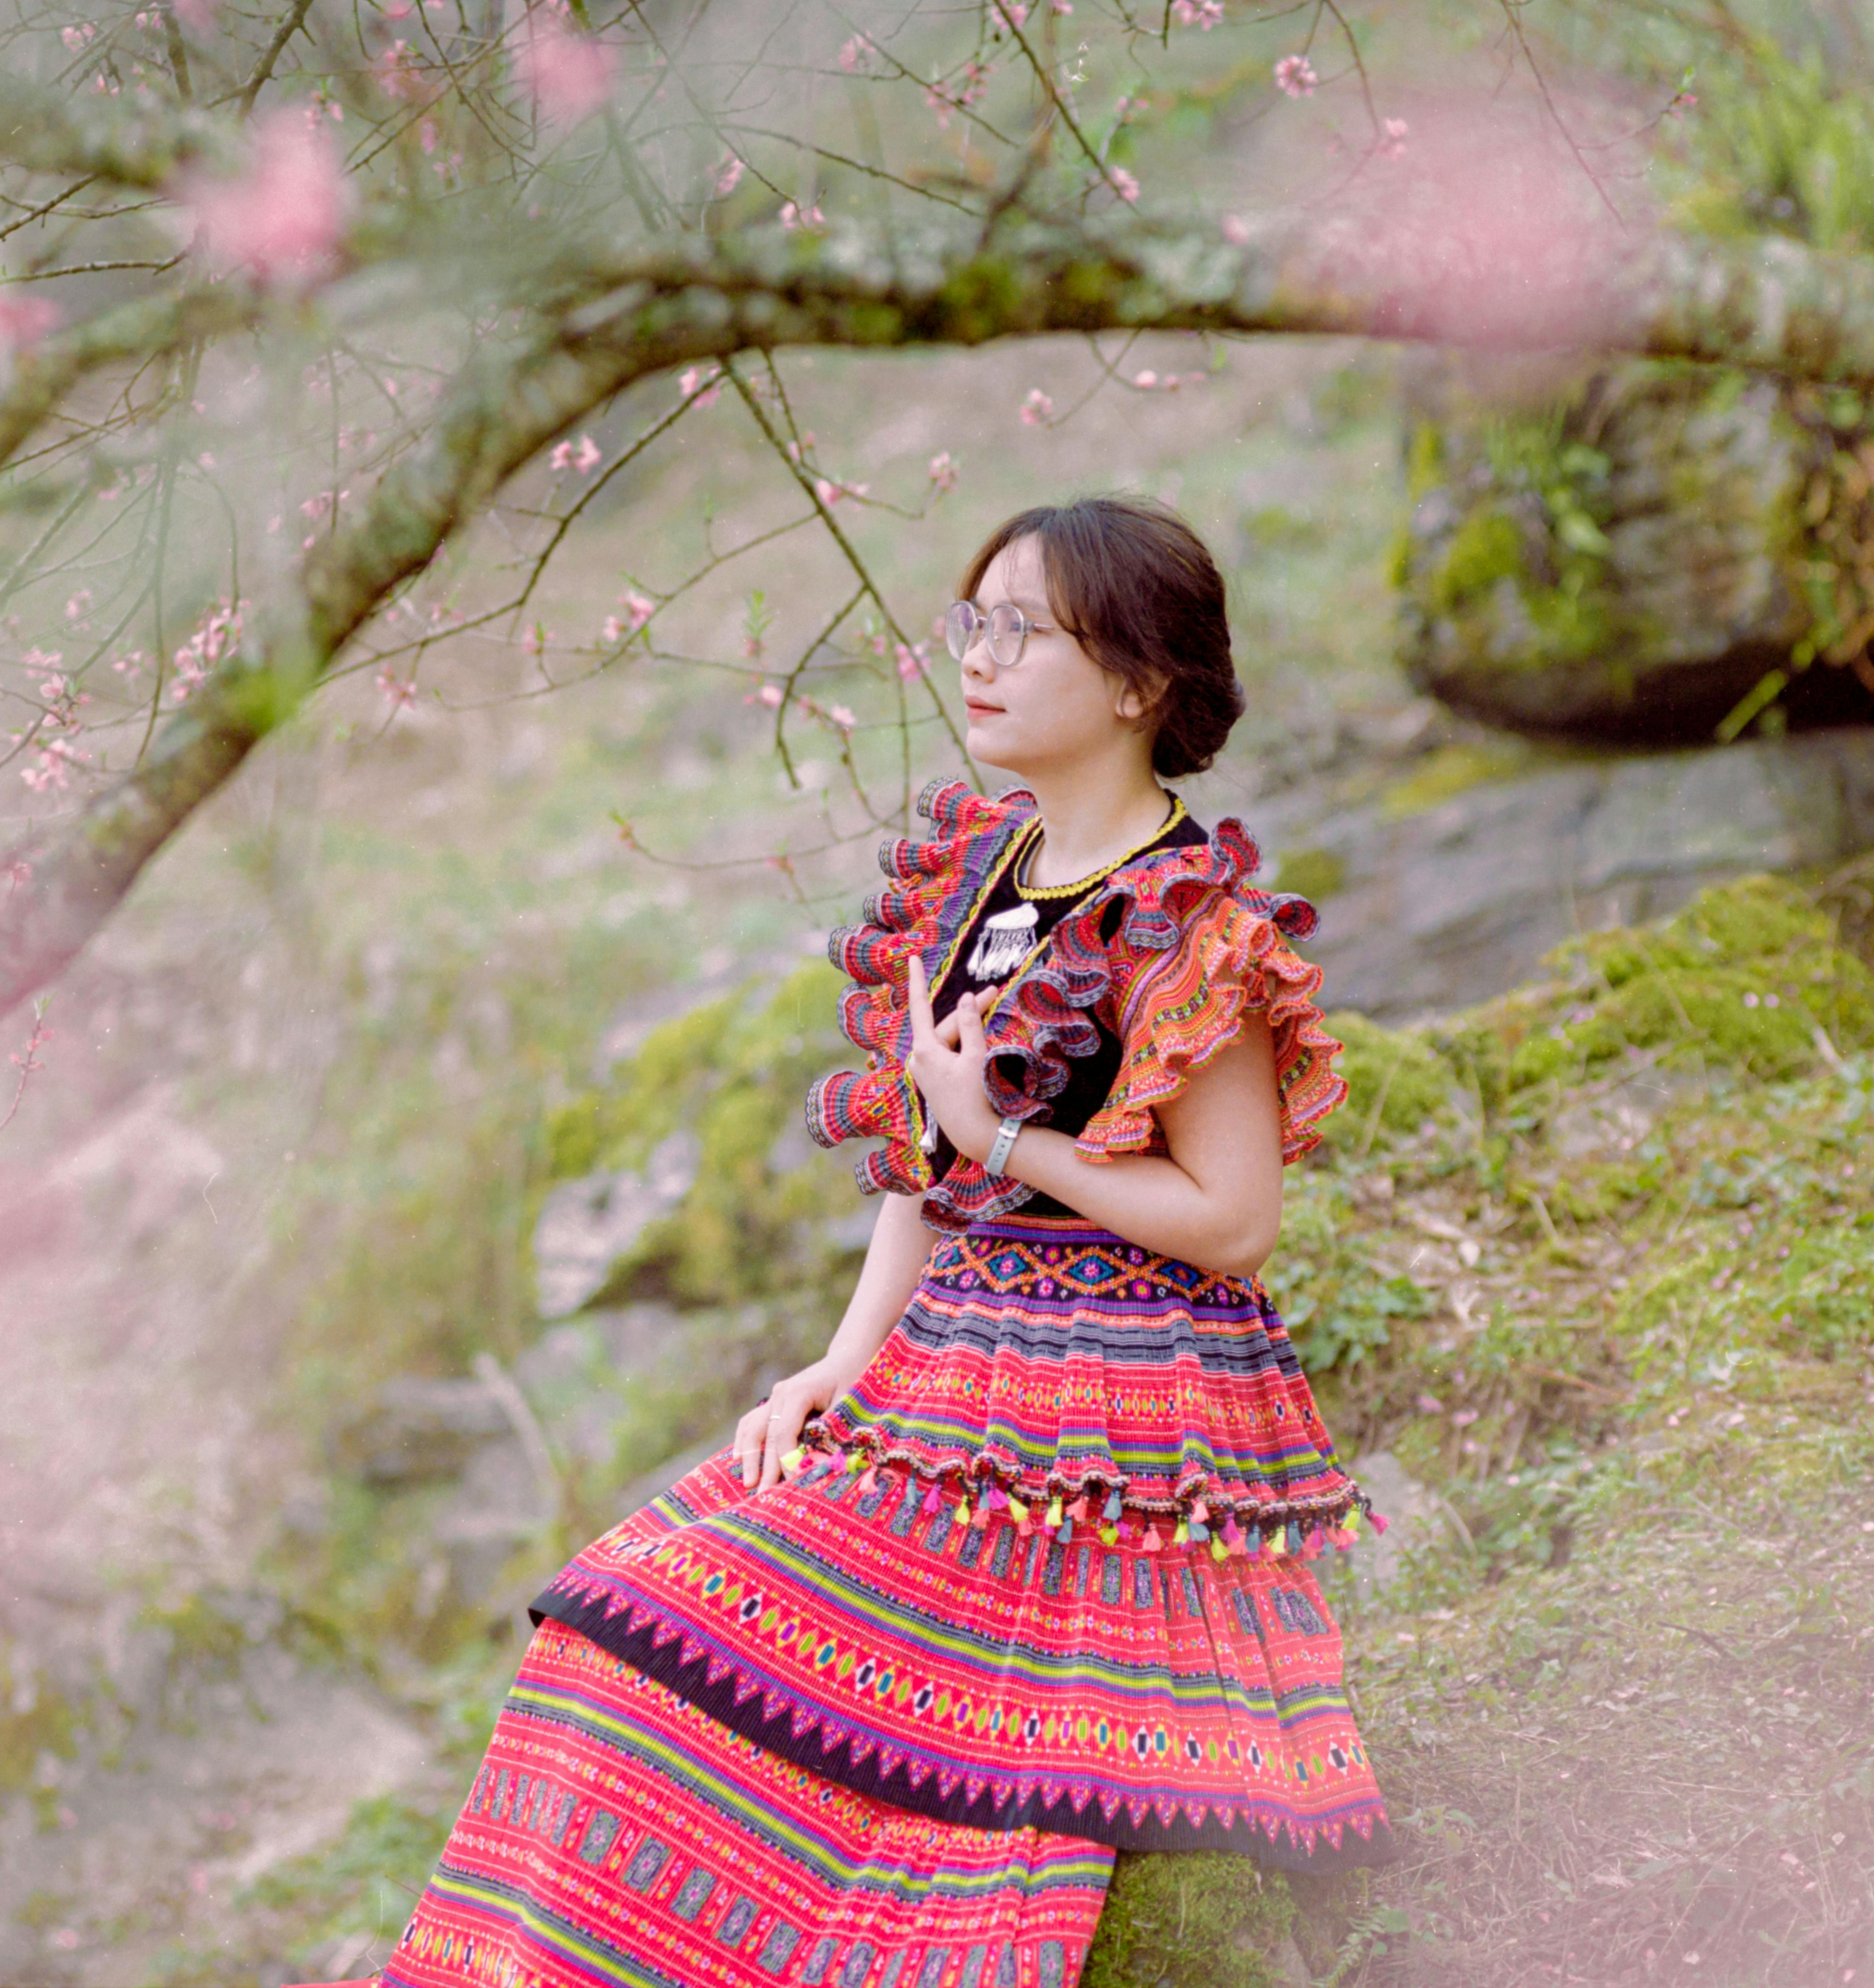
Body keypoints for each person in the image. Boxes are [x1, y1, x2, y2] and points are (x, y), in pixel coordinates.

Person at [335, 498, 1388, 1988]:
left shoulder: (1190, 923)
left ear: (1141, 682)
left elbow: (1234, 1223)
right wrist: (842, 1363)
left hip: (1119, 1402)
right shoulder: (978, 875)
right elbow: (921, 1173)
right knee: (617, 1635)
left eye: (1027, 630)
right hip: (953, 1353)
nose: (981, 657)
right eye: (976, 622)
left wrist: (1012, 1139)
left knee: (948, 1777)